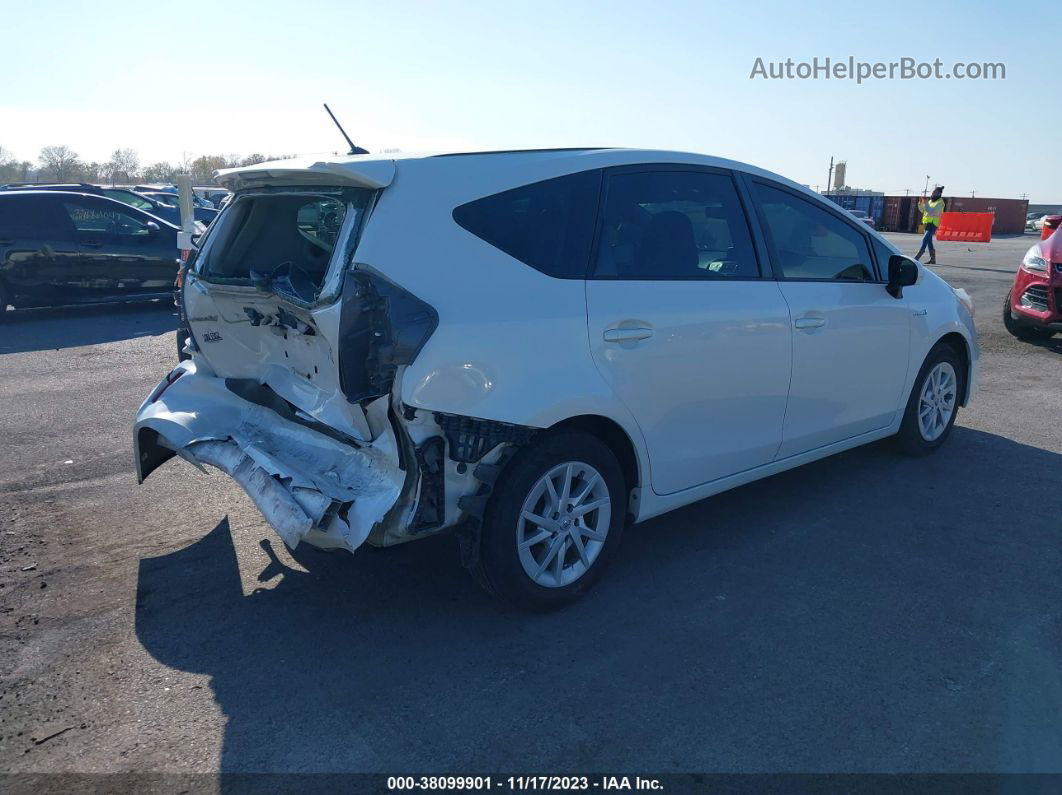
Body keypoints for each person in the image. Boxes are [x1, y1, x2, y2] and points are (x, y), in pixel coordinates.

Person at [915, 186, 946, 264]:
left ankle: (917, 257)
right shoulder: (930, 201)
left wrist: (925, 203)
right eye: (932, 192)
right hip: (926, 223)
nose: (932, 193)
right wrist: (920, 203)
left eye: (934, 192)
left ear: (939, 193)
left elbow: (932, 212)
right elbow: (923, 210)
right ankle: (933, 259)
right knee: (929, 241)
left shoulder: (940, 203)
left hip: (933, 223)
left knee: (925, 239)